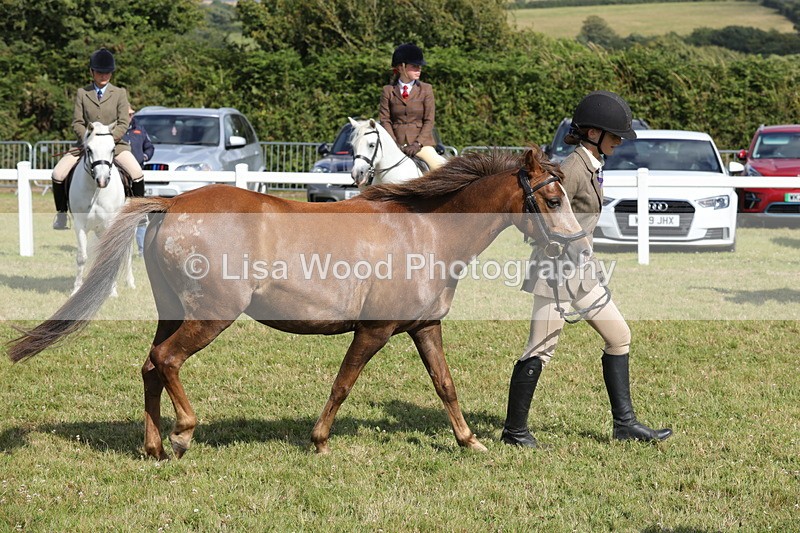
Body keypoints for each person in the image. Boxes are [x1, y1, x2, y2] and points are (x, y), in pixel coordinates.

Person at [501, 90, 673, 447]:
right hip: (556, 275)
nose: (618, 142)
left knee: (619, 336)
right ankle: (514, 431)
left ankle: (624, 424)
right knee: (540, 349)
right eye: (614, 136)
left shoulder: (591, 166)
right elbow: (547, 222)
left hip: (582, 273)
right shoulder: (572, 170)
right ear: (593, 134)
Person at [50, 48, 145, 230]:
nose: (104, 76)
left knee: (137, 174)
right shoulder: (82, 93)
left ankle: (138, 214)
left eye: (107, 72)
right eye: (100, 72)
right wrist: (88, 139)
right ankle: (62, 215)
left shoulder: (119, 93)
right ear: (92, 72)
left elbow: (124, 122)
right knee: (58, 173)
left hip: (115, 146)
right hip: (87, 145)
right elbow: (77, 122)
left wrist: (109, 139)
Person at [379, 43, 447, 171]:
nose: (419, 70)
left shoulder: (426, 89)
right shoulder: (388, 90)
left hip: (422, 145)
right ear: (401, 67)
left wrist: (417, 144)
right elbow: (385, 120)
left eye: (419, 67)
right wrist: (394, 143)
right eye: (414, 66)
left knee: (440, 168)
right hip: (395, 144)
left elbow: (429, 120)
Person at [123, 106, 154, 256]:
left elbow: (149, 147)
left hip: (137, 175)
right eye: (126, 113)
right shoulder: (115, 130)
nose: (128, 116)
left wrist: (145, 157)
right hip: (120, 176)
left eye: (130, 114)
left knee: (140, 211)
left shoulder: (139, 129)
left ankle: (142, 249)